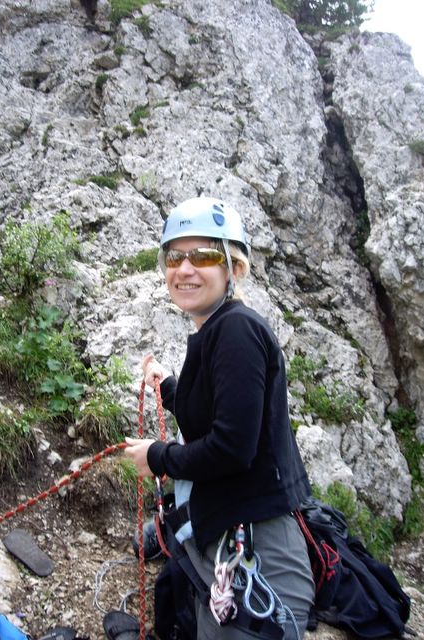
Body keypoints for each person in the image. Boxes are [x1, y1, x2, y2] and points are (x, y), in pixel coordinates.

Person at [124, 196, 315, 639]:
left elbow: (231, 447)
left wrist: (158, 457)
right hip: (232, 526)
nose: (185, 269)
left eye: (204, 256)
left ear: (234, 268)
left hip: (258, 542)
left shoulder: (236, 330)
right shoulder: (217, 328)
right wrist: (168, 387)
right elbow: (216, 411)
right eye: (175, 258)